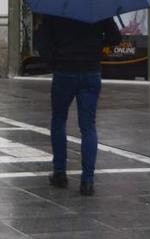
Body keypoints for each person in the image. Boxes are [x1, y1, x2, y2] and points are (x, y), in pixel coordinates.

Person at [36, 14, 121, 197]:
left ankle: (60, 173)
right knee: (88, 126)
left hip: (64, 72)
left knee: (59, 120)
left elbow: (42, 41)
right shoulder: (98, 9)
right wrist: (96, 44)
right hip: (91, 72)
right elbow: (116, 38)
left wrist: (55, 61)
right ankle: (87, 181)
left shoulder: (56, 8)